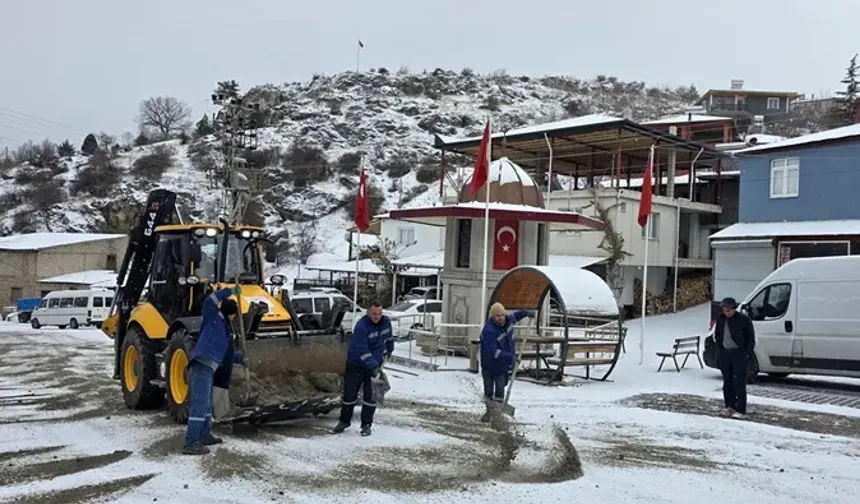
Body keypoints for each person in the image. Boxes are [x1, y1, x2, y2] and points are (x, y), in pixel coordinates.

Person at [183, 286, 245, 455]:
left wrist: (241, 359)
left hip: (210, 368)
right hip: (201, 364)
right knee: (200, 404)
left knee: (207, 404)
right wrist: (230, 291)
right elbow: (210, 300)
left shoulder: (225, 329)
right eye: (233, 314)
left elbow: (227, 354)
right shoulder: (212, 318)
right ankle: (191, 442)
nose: (233, 318)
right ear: (227, 312)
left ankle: (205, 435)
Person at [332, 302, 394, 437]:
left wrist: (389, 350)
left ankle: (366, 425)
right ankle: (344, 421)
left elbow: (389, 338)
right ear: (368, 313)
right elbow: (362, 350)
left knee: (371, 397)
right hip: (356, 364)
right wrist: (374, 366)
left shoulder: (386, 323)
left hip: (374, 364)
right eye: (374, 314)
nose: (377, 317)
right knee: (349, 394)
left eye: (379, 314)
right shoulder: (362, 327)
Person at [479, 302, 535, 422]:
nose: (501, 318)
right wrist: (511, 357)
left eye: (502, 315)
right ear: (492, 317)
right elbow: (493, 351)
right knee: (488, 391)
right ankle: (489, 412)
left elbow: (517, 315)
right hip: (489, 365)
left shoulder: (508, 321)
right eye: (497, 316)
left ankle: (497, 413)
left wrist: (527, 313)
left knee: (500, 388)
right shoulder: (489, 330)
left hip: (503, 365)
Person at [714, 296, 756, 419]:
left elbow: (751, 338)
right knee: (727, 382)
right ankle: (729, 406)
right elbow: (718, 336)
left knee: (739, 381)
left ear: (734, 308)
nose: (726, 313)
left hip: (739, 353)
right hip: (725, 353)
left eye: (728, 310)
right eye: (724, 310)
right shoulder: (721, 319)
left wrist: (745, 352)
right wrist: (720, 350)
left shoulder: (744, 320)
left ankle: (741, 408)